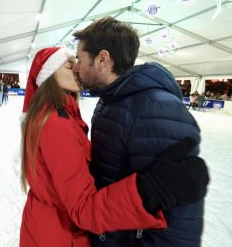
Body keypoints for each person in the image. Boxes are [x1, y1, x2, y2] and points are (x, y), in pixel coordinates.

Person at [20, 47, 209, 247]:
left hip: (46, 228)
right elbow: (82, 209)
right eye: (68, 65)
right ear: (48, 75)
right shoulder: (56, 123)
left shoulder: (52, 115)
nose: (77, 68)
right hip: (59, 236)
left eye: (76, 60)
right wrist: (151, 190)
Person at [72, 17, 206, 246]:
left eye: (79, 58)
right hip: (110, 232)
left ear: (102, 59)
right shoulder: (111, 100)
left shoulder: (155, 109)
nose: (76, 66)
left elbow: (179, 212)